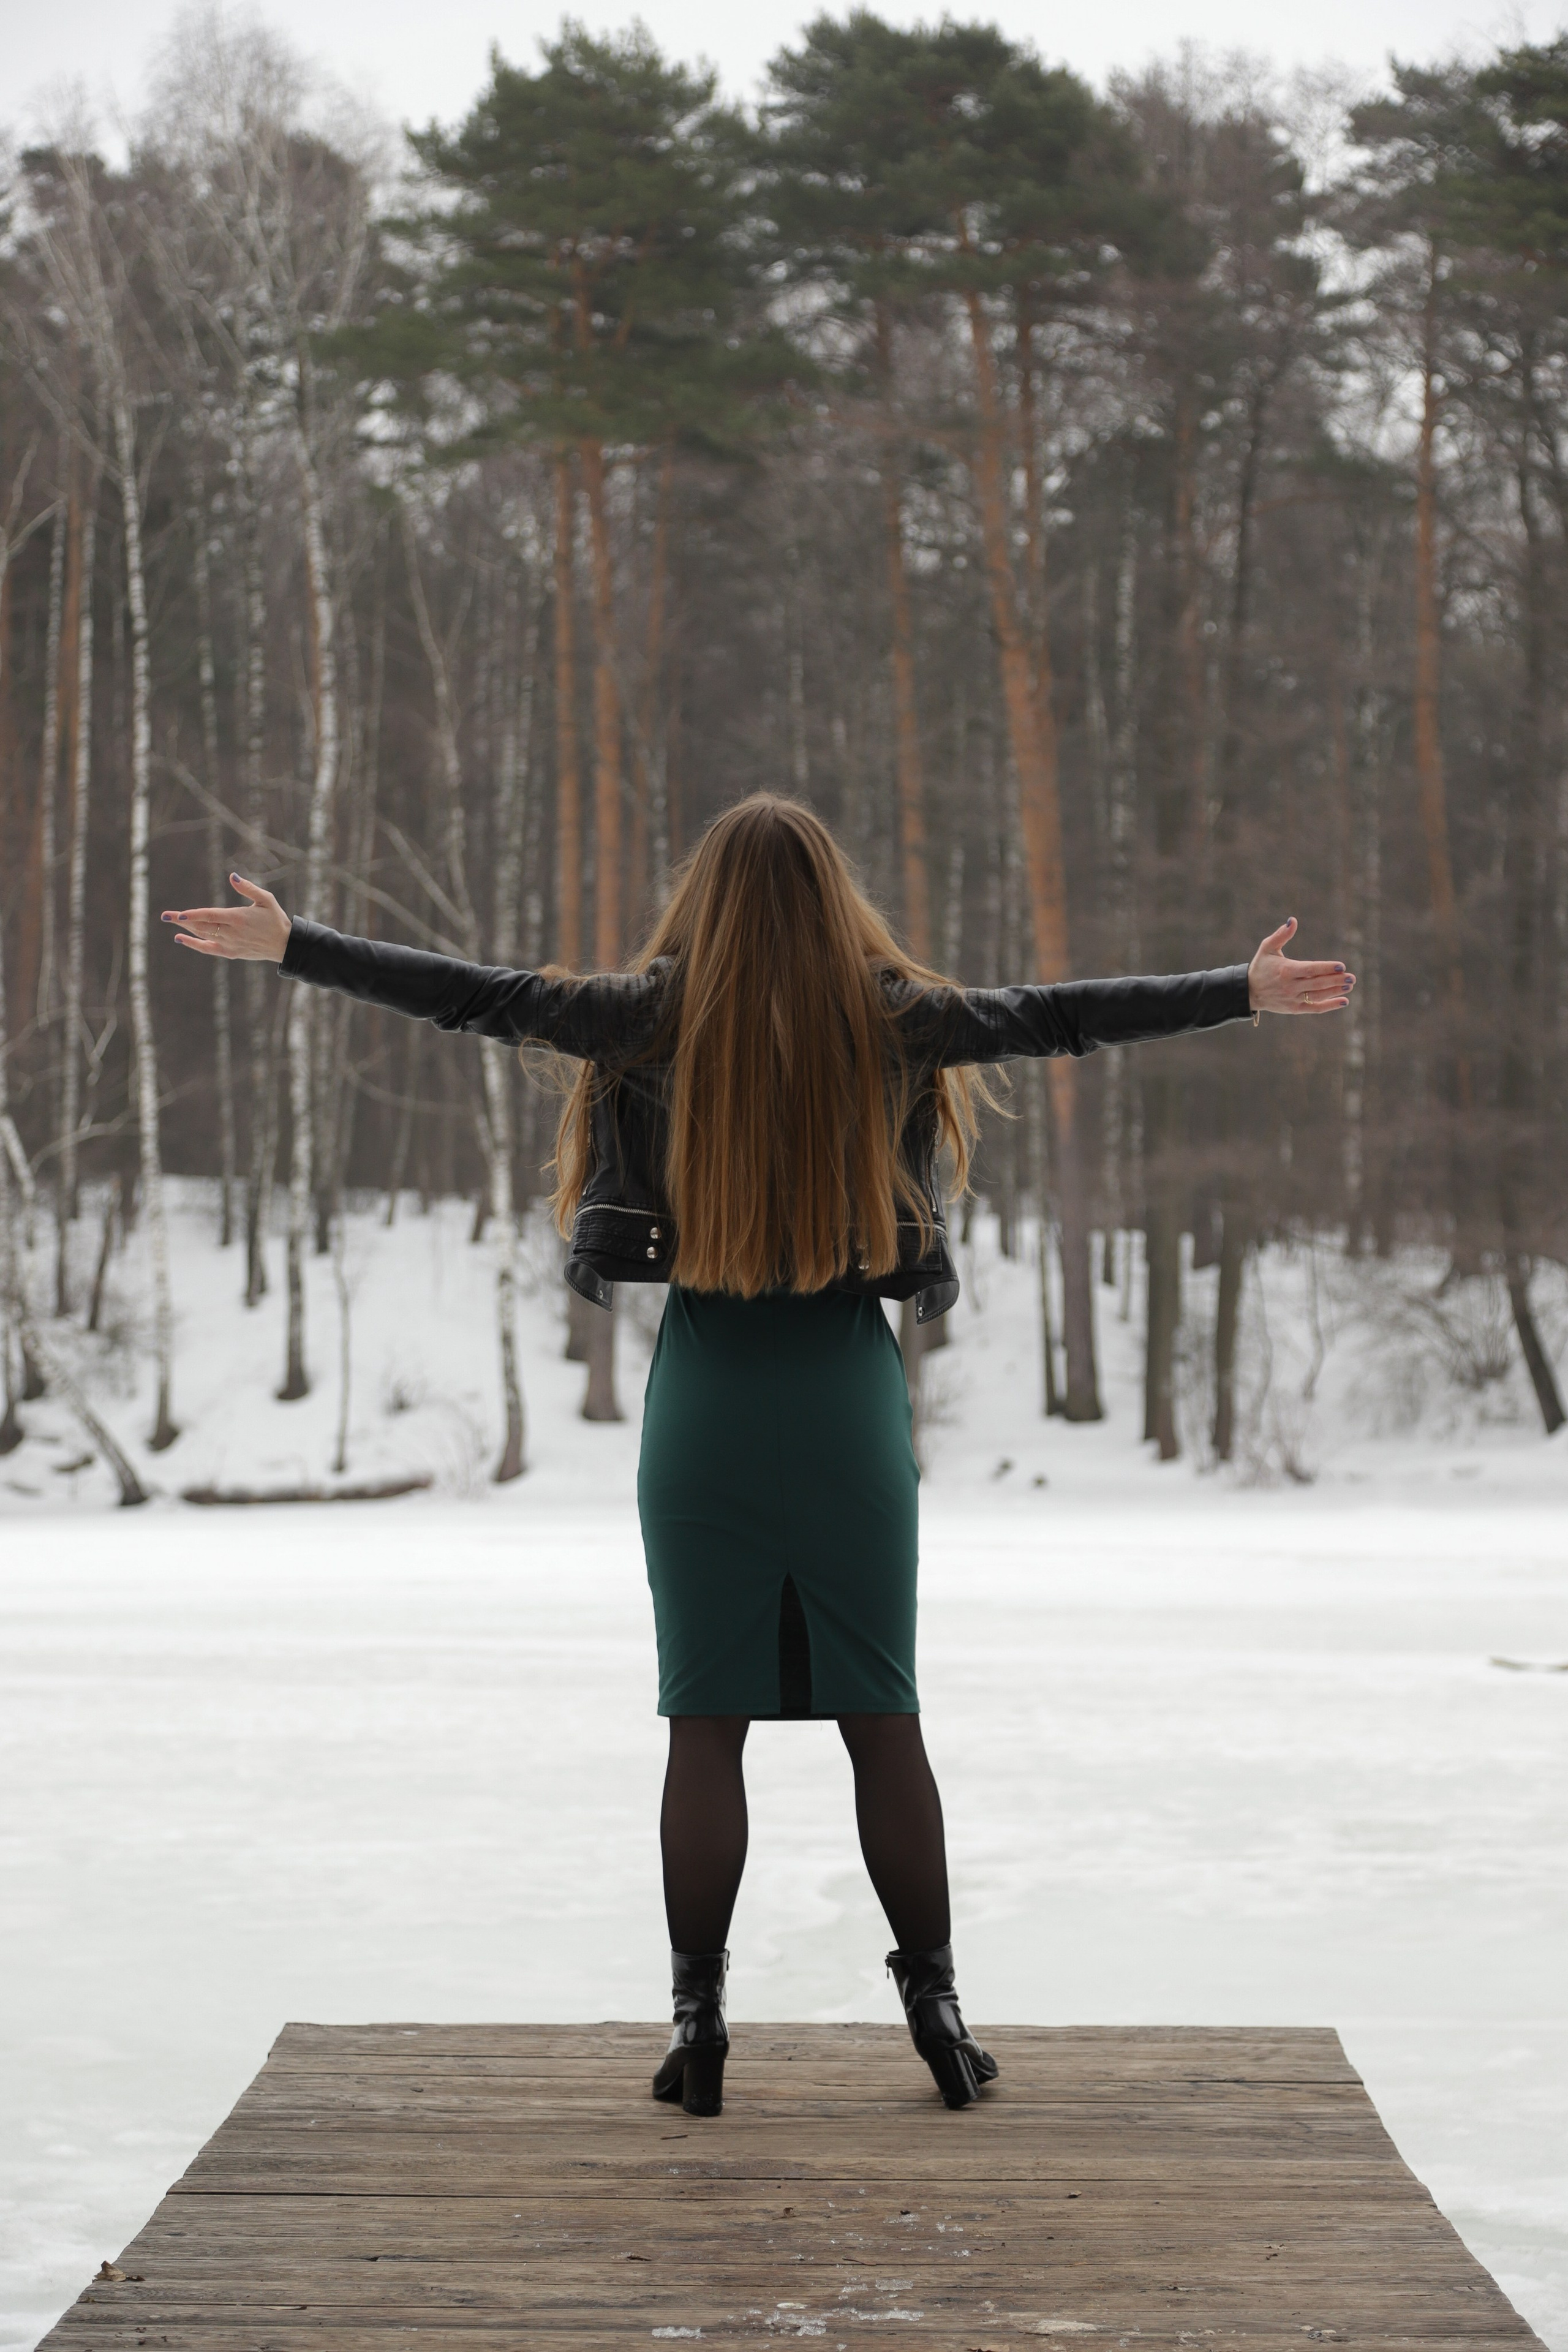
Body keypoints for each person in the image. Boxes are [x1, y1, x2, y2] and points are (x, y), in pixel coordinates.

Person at [164, 792, 1352, 2119]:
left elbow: (470, 997)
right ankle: (939, 2014)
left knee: (704, 1724)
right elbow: (1062, 1015)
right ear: (834, 899)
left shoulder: (648, 1017)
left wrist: (298, 948)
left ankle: (699, 2026)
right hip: (843, 1396)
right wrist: (1236, 991)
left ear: (706, 901)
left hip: (707, 1400)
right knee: (881, 1720)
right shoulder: (892, 1017)